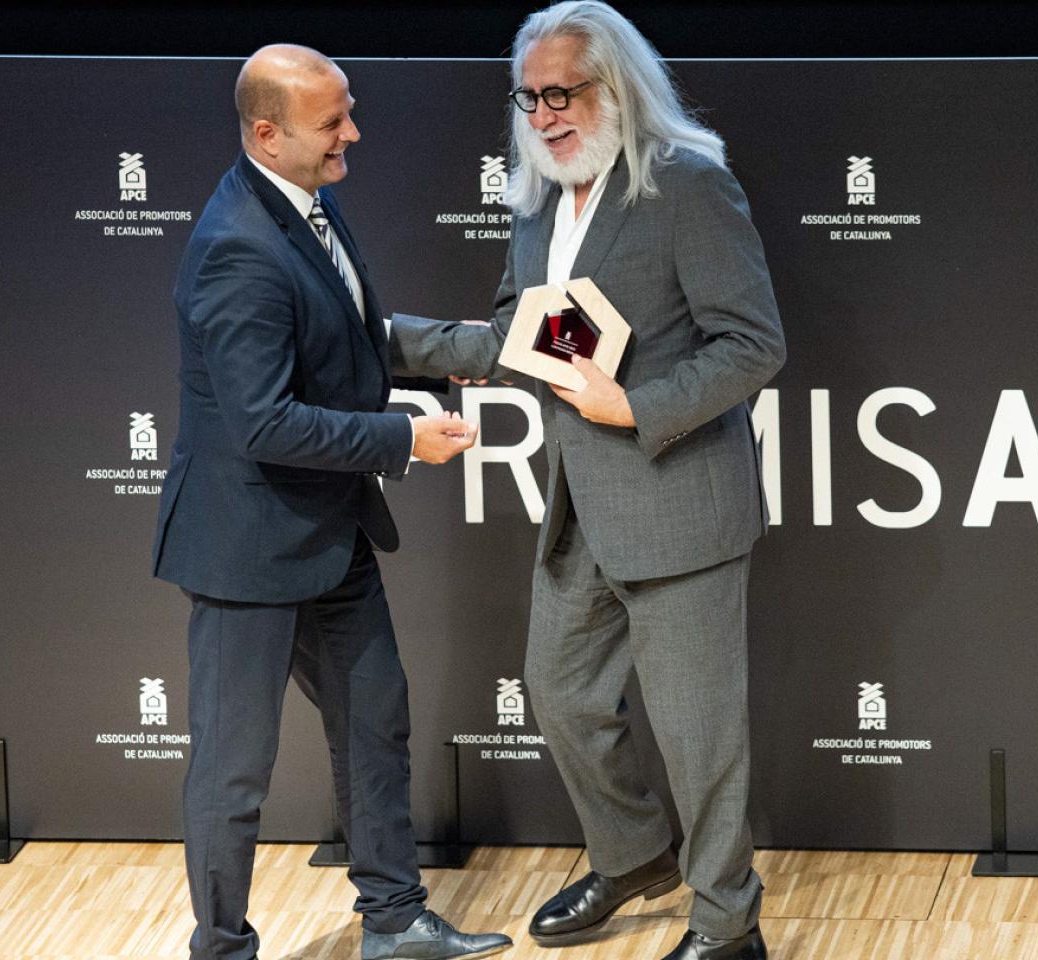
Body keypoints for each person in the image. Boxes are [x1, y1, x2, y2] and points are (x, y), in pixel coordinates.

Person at [387, 4, 785, 958]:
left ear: (617, 87)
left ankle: (728, 924)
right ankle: (635, 853)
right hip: (581, 505)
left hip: (679, 500)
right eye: (528, 98)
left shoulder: (687, 185)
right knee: (561, 696)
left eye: (561, 94)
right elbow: (514, 338)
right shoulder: (538, 199)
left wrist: (633, 406)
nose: (544, 115)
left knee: (698, 737)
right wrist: (380, 338)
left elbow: (752, 344)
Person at [151, 44, 512, 960]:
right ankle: (221, 949)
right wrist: (404, 439)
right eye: (332, 121)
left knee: (375, 725)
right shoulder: (237, 249)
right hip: (246, 550)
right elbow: (265, 423)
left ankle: (393, 920)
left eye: (348, 110)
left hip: (329, 532)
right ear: (267, 134)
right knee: (235, 774)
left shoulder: (308, 200)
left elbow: (349, 335)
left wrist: (467, 348)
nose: (353, 132)